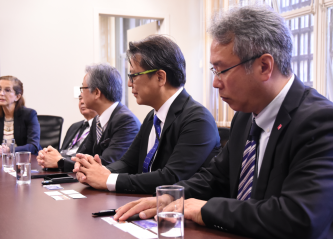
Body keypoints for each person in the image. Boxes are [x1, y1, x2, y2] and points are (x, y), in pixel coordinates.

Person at [112, 5, 333, 239]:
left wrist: (207, 209)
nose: (215, 82)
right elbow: (214, 178)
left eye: (222, 70)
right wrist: (172, 195)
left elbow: (300, 218)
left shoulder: (322, 122)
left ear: (265, 66)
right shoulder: (245, 117)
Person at [72, 35, 221, 194]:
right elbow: (128, 163)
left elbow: (171, 178)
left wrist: (107, 179)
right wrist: (97, 170)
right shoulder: (153, 117)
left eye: (133, 75)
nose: (129, 83)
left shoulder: (197, 120)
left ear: (160, 77)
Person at [38, 64, 140, 172]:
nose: (81, 94)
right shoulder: (97, 120)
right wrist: (53, 158)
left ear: (96, 92)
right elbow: (81, 156)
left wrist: (60, 161)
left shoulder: (126, 121)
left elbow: (106, 164)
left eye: (83, 88)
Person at [36, 95, 97, 171]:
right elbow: (64, 151)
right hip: (61, 170)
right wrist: (47, 157)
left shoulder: (100, 128)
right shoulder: (74, 126)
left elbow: (91, 159)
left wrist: (61, 161)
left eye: (85, 98)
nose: (81, 102)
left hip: (76, 173)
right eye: (80, 99)